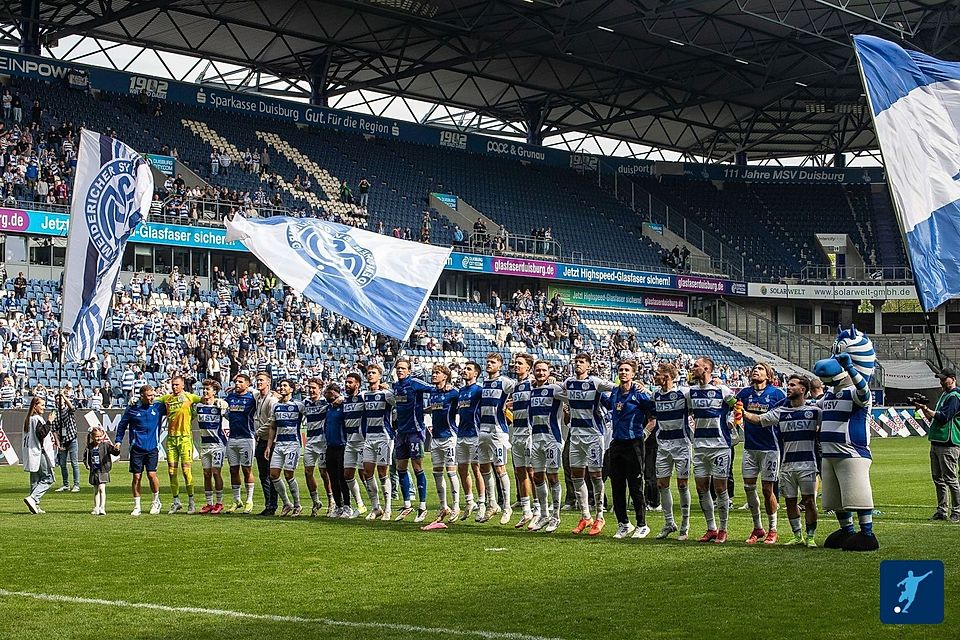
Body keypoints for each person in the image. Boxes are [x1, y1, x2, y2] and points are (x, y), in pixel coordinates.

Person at [744, 374, 821, 546]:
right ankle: (797, 535)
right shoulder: (781, 412)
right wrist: (742, 412)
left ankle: (810, 536)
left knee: (809, 501)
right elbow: (759, 419)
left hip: (808, 464)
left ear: (803, 390)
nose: (788, 387)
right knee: (790, 501)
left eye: (793, 385)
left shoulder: (815, 411)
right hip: (786, 465)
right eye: (788, 384)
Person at [562, 352, 617, 535]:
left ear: (589, 366)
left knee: (595, 475)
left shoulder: (596, 382)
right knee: (576, 476)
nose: (578, 364)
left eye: (582, 362)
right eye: (576, 361)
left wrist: (636, 386)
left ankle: (600, 517)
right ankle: (586, 516)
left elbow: (617, 388)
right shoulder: (568, 383)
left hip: (593, 435)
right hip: (575, 435)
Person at [689, 357, 737, 544]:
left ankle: (723, 529)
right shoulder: (690, 392)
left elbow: (737, 404)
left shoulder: (722, 390)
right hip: (700, 446)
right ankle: (711, 528)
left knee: (719, 488)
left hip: (719, 446)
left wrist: (734, 422)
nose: (692, 369)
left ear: (706, 368)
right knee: (701, 487)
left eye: (695, 366)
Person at [737, 363, 787, 544]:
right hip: (750, 448)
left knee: (767, 490)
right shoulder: (743, 394)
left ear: (768, 375)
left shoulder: (777, 394)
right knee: (749, 488)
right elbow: (733, 409)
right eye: (754, 368)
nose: (755, 371)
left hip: (770, 448)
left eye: (760, 369)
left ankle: (773, 529)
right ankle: (758, 527)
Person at [606, 360, 656, 539]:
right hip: (616, 443)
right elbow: (606, 404)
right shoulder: (614, 392)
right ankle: (624, 524)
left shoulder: (639, 394)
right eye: (620, 370)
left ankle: (642, 524)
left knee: (635, 485)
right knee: (617, 485)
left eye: (627, 370)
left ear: (633, 374)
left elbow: (654, 413)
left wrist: (645, 433)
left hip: (634, 444)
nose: (623, 372)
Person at [652, 362, 693, 540]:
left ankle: (685, 524)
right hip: (663, 445)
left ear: (667, 376)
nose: (654, 376)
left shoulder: (683, 394)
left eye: (658, 373)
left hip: (681, 444)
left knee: (682, 484)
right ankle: (669, 523)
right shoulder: (655, 395)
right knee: (662, 484)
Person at [915, 366, 960, 522]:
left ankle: (956, 510)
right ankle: (942, 510)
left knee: (950, 479)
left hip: (948, 441)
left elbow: (944, 417)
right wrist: (923, 409)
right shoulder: (946, 395)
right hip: (938, 440)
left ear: (953, 379)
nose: (941, 382)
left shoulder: (954, 396)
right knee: (939, 479)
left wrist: (926, 408)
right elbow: (934, 418)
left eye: (944, 379)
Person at [476, 352, 515, 524]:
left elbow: (519, 390)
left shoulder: (505, 381)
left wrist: (508, 407)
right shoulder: (483, 383)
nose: (489, 364)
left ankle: (507, 507)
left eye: (492, 362)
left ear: (500, 365)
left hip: (498, 431)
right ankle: (492, 503)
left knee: (500, 469)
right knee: (484, 468)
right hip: (482, 430)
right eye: (488, 362)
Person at [392, 358, 433, 522]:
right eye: (398, 368)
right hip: (401, 432)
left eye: (403, 368)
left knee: (417, 468)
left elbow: (433, 389)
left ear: (409, 370)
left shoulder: (415, 383)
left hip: (415, 431)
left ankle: (422, 506)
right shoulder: (396, 386)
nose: (400, 370)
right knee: (400, 468)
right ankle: (407, 505)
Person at [115, 385, 167, 516]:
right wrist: (118, 441)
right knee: (137, 477)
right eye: (149, 396)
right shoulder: (132, 409)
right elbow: (122, 426)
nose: (152, 398)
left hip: (152, 447)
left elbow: (172, 400)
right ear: (142, 396)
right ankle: (137, 506)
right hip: (136, 448)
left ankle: (156, 501)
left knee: (151, 475)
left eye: (153, 395)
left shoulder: (158, 407)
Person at [527, 359, 565, 532]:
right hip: (536, 439)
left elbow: (570, 394)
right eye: (538, 370)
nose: (541, 373)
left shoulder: (555, 389)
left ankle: (555, 516)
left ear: (549, 372)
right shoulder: (532, 390)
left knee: (553, 477)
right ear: (533, 372)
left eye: (544, 370)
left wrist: (557, 382)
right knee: (537, 477)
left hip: (552, 439)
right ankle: (543, 514)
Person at [157, 376, 201, 514]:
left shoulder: (189, 397)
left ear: (182, 385)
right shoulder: (167, 399)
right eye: (172, 384)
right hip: (171, 439)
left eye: (177, 384)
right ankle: (176, 501)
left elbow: (205, 399)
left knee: (186, 471)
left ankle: (191, 502)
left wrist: (218, 401)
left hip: (185, 439)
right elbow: (153, 399)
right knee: (171, 471)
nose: (174, 387)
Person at [264, 379, 305, 517]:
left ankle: (298, 505)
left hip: (293, 444)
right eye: (280, 385)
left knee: (288, 474)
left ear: (292, 389)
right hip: (279, 444)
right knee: (273, 475)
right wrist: (269, 446)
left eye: (285, 386)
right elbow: (273, 427)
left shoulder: (298, 405)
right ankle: (287, 503)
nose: (281, 387)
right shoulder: (276, 406)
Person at [425, 364, 461, 524]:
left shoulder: (453, 393)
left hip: (449, 437)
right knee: (437, 473)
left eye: (437, 373)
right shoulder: (433, 392)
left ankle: (456, 507)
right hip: (436, 438)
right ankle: (443, 506)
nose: (433, 375)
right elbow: (431, 409)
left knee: (451, 472)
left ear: (445, 376)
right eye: (433, 372)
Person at [361, 364, 396, 520]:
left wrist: (391, 388)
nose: (370, 375)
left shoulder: (386, 394)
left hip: (384, 437)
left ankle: (388, 508)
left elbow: (399, 401)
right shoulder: (364, 395)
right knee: (367, 472)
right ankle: (376, 507)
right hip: (369, 438)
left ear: (380, 376)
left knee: (383, 473)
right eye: (368, 373)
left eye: (373, 373)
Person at [455, 361, 485, 520]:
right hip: (461, 435)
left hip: (475, 434)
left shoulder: (479, 390)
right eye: (464, 368)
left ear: (476, 373)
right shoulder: (460, 391)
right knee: (462, 469)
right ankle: (469, 501)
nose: (464, 371)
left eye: (468, 369)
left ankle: (482, 503)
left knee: (476, 469)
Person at [510, 353, 536, 528]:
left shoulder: (532, 384)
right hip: (516, 432)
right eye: (515, 363)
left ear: (528, 367)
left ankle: (539, 508)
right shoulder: (515, 386)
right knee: (520, 472)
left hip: (529, 432)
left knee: (532, 472)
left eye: (520, 363)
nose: (516, 366)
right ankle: (526, 511)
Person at [225, 373, 258, 514]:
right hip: (232, 437)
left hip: (247, 438)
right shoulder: (230, 397)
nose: (237, 384)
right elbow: (225, 412)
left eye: (240, 382)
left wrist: (252, 390)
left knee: (247, 470)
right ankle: (236, 500)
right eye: (235, 381)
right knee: (233, 470)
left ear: (248, 384)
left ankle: (249, 500)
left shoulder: (252, 398)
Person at [195, 378, 229, 514]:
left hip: (218, 444)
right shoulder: (198, 407)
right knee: (206, 474)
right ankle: (209, 503)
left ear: (214, 392)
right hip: (204, 445)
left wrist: (225, 404)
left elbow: (231, 414)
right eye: (203, 389)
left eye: (207, 389)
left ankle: (219, 502)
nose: (204, 391)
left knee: (216, 473)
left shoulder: (219, 406)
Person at [303, 377, 334, 517]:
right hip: (310, 442)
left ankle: (331, 500)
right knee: (308, 472)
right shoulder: (305, 403)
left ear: (320, 389)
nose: (311, 390)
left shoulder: (326, 403)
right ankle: (316, 501)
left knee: (324, 472)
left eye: (313, 388)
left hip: (323, 442)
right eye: (309, 387)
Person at [341, 372, 368, 517]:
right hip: (350, 442)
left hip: (363, 441)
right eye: (346, 382)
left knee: (365, 473)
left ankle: (376, 505)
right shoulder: (344, 401)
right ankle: (361, 505)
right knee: (348, 474)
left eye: (350, 382)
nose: (347, 385)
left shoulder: (363, 397)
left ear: (357, 384)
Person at [23, 396, 55, 514]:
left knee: (35, 480)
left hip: (31, 453)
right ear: (35, 406)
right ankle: (33, 498)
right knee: (49, 478)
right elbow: (41, 434)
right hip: (39, 452)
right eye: (41, 405)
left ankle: (35, 505)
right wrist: (49, 422)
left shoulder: (29, 419)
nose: (44, 407)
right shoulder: (37, 419)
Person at [253, 373, 279, 516]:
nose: (258, 382)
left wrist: (258, 431)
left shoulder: (272, 400)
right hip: (261, 440)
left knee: (271, 475)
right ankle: (268, 504)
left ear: (268, 382)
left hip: (270, 440)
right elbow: (249, 390)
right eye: (257, 380)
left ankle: (273, 505)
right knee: (263, 475)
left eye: (261, 380)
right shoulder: (257, 396)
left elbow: (271, 422)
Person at [322, 383, 349, 517]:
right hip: (330, 446)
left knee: (342, 477)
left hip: (342, 446)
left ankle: (347, 506)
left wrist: (343, 398)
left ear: (335, 393)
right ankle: (338, 505)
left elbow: (352, 399)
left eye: (328, 393)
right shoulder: (328, 408)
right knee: (332, 478)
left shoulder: (344, 406)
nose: (326, 395)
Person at [83, 426, 121, 515]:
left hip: (103, 470)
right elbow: (85, 457)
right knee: (96, 490)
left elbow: (114, 452)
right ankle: (96, 507)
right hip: (94, 471)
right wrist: (87, 465)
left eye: (100, 436)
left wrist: (116, 449)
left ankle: (102, 507)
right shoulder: (89, 447)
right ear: (92, 437)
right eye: (96, 436)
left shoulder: (105, 445)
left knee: (101, 488)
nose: (98, 438)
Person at [52, 392, 80, 493]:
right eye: (57, 400)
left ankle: (76, 484)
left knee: (74, 463)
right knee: (63, 464)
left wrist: (64, 396)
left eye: (60, 399)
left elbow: (72, 408)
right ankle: (65, 484)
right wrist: (58, 444)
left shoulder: (68, 410)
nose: (58, 401)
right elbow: (54, 430)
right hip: (62, 442)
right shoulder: (55, 413)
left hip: (71, 439)